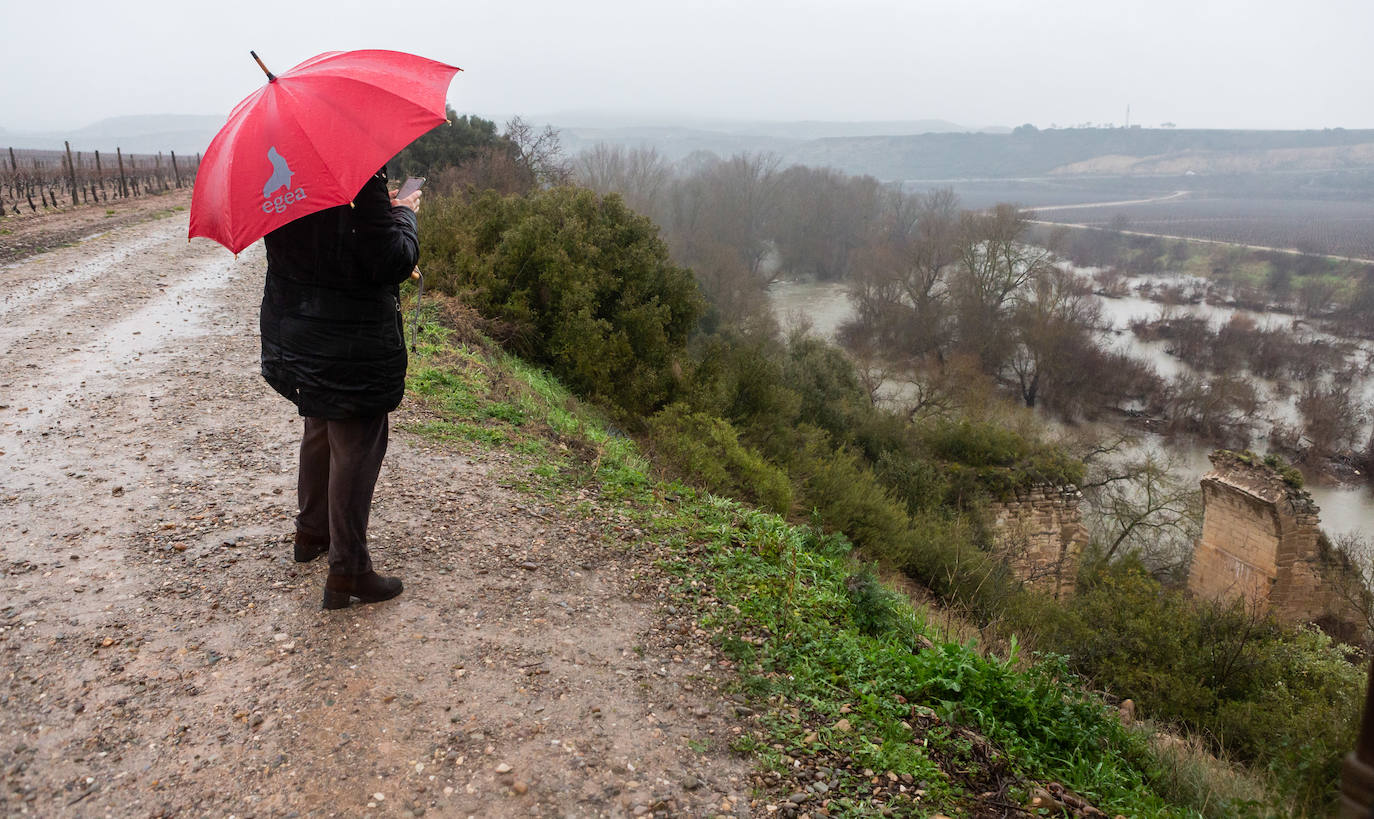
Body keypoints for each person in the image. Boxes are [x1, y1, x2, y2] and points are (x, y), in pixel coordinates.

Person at [259, 166, 422, 609]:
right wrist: (404, 214)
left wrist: (376, 210)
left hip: (296, 327)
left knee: (319, 423)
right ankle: (349, 570)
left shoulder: (279, 173)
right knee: (356, 443)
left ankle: (311, 533)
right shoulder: (354, 173)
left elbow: (326, 239)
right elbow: (391, 260)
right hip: (350, 342)